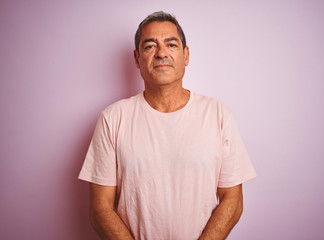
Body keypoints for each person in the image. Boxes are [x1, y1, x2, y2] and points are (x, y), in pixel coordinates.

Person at [78, 11, 257, 240]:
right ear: (136, 58)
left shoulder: (218, 114)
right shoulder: (113, 118)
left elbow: (233, 201)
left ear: (186, 55)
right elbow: (99, 209)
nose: (161, 53)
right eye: (150, 46)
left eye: (171, 44)